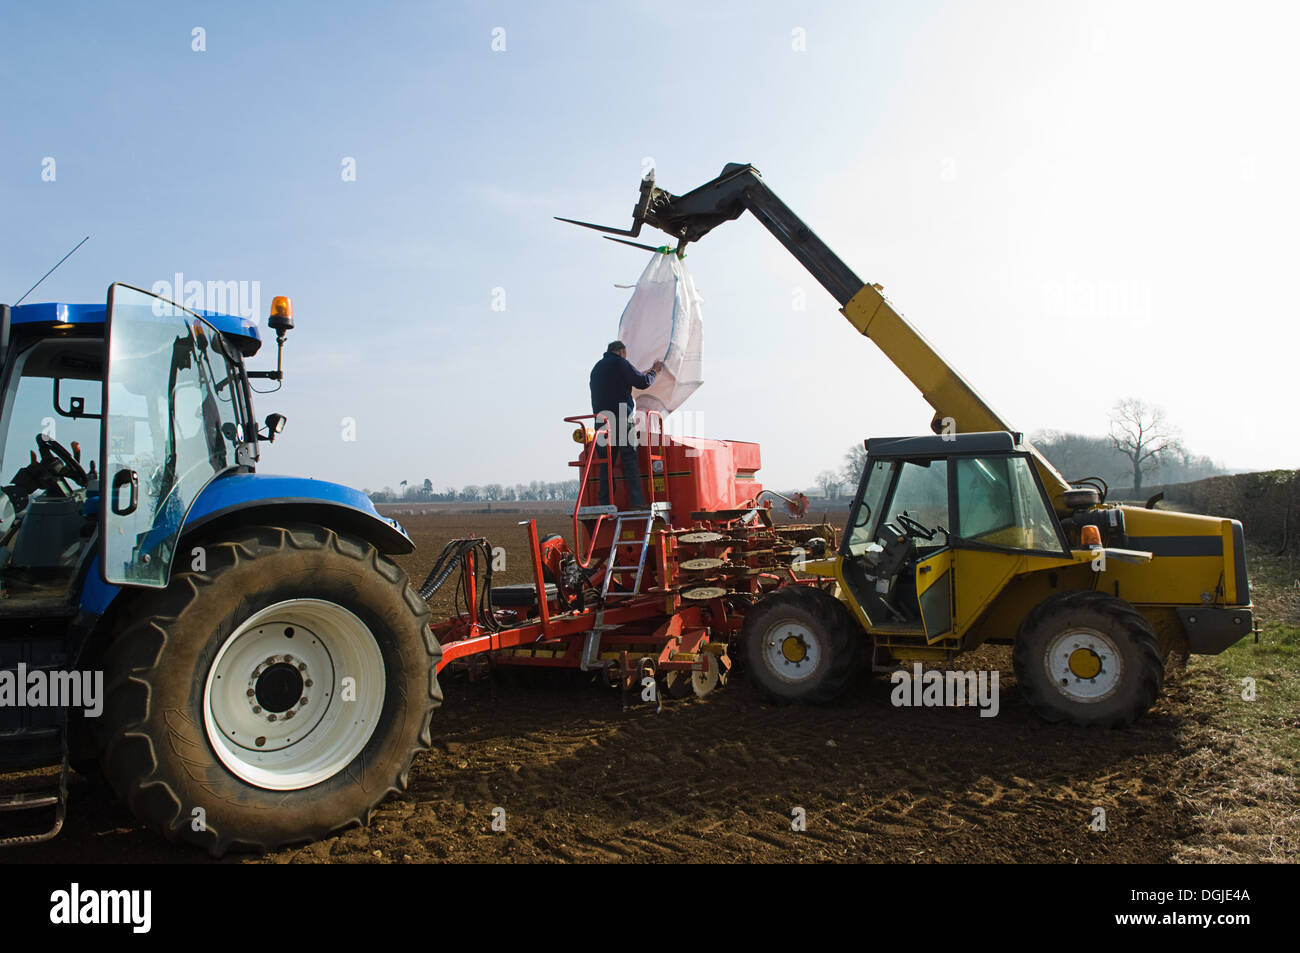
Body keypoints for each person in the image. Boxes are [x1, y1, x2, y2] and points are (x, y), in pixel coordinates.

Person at [589, 340, 664, 508]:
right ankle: (637, 502)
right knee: (629, 458)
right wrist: (654, 371)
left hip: (601, 420)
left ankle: (605, 503)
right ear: (622, 352)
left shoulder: (597, 368)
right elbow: (643, 382)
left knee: (605, 462)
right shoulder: (620, 363)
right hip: (621, 416)